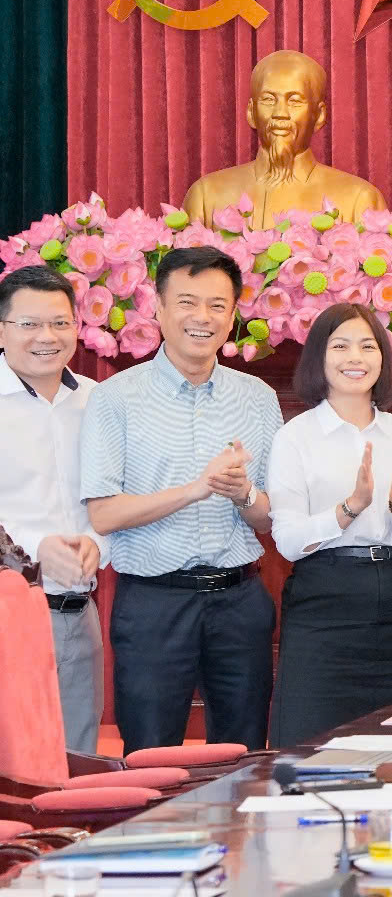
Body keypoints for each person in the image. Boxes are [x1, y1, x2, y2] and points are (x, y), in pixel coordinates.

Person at [80, 244, 283, 749]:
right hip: (154, 603)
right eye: (187, 302)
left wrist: (243, 494)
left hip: (239, 601)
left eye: (217, 305)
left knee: (243, 752)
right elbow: (103, 514)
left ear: (233, 316)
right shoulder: (115, 398)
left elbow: (268, 519)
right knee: (150, 754)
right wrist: (197, 489)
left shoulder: (258, 398)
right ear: (158, 307)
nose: (202, 317)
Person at [265, 303, 392, 746]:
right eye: (340, 346)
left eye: (367, 346)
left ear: (383, 358)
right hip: (324, 602)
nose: (355, 358)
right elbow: (287, 541)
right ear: (319, 358)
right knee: (310, 748)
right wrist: (349, 509)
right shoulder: (295, 437)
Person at [0, 266, 104, 752]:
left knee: (77, 758)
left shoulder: (99, 401)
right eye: (29, 324)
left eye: (60, 323)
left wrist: (97, 543)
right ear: (2, 329)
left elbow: (120, 496)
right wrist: (34, 549)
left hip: (77, 611)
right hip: (8, 609)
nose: (47, 336)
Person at [179, 49, 386, 228]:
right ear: (251, 112)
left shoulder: (360, 199)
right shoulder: (206, 195)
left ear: (319, 115)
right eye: (268, 99)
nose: (280, 113)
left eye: (295, 101)